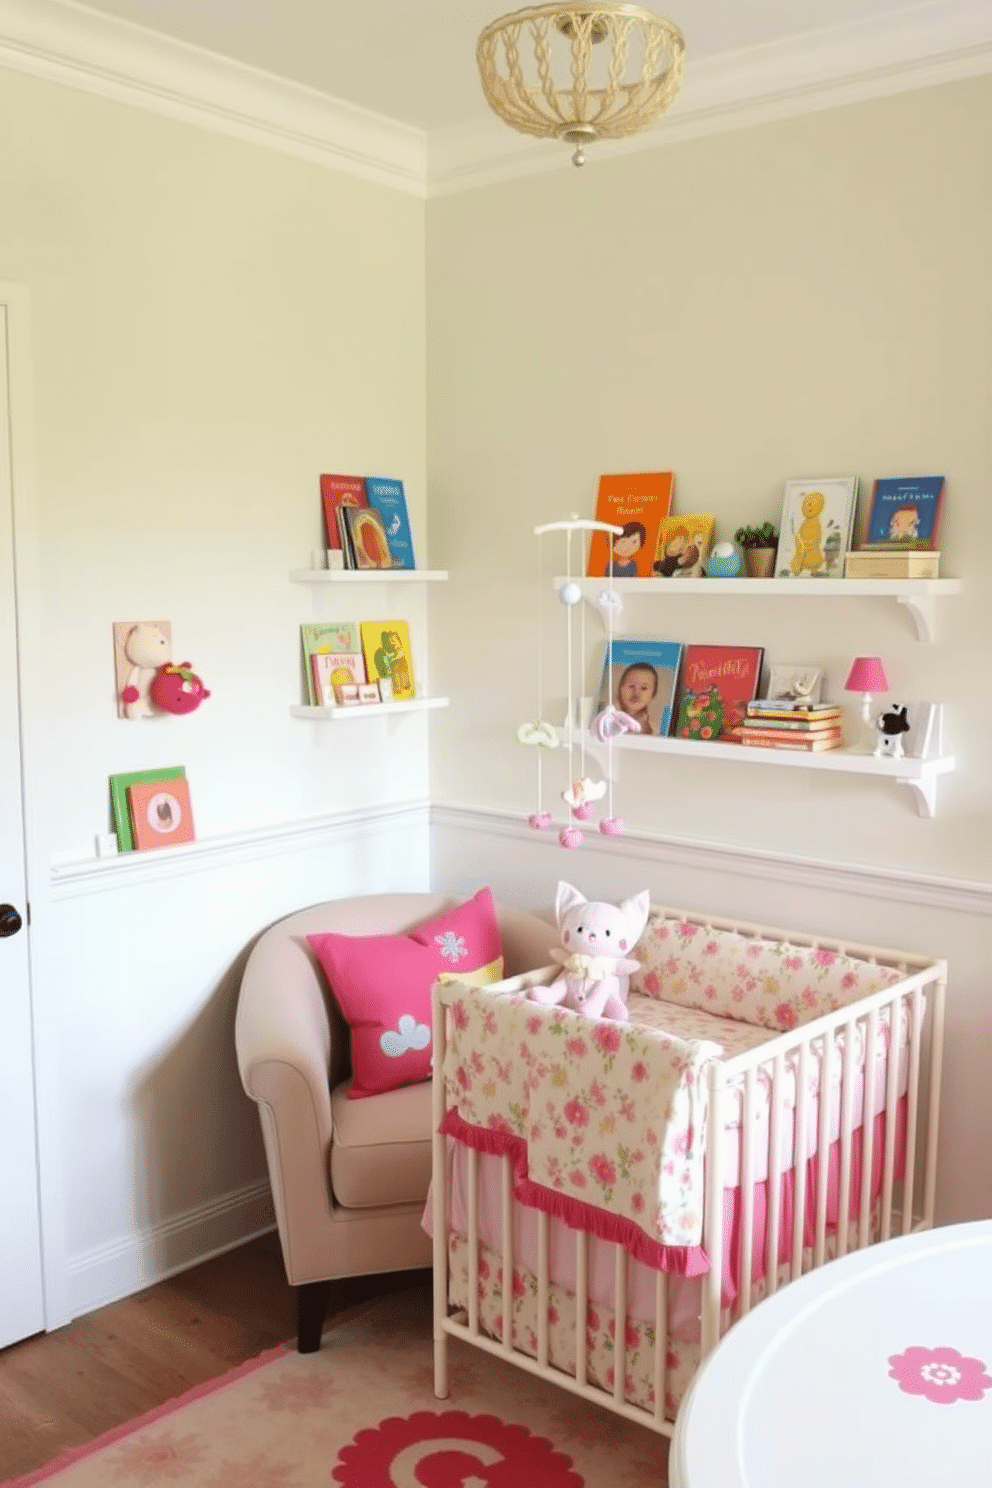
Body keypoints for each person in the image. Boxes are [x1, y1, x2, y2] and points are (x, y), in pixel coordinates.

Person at [615, 661, 659, 734]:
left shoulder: (652, 728)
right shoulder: (610, 716)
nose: (636, 693)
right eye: (631, 686)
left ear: (653, 694)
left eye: (644, 688)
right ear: (620, 689)